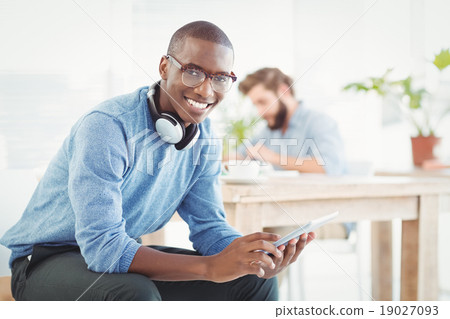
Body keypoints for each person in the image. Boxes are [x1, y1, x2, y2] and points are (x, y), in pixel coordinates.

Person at [0, 21, 315, 301]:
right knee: (134, 293)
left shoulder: (203, 137)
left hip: (112, 255)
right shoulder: (107, 126)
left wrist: (250, 257)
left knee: (252, 284)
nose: (206, 90)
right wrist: (209, 267)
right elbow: (103, 248)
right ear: (165, 67)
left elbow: (210, 229)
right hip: (44, 262)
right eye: (193, 72)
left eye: (220, 78)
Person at [234, 67, 346, 175]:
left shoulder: (320, 122)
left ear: (284, 91)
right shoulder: (270, 129)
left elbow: (331, 166)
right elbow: (240, 154)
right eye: (256, 105)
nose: (260, 112)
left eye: (263, 102)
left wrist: (273, 157)